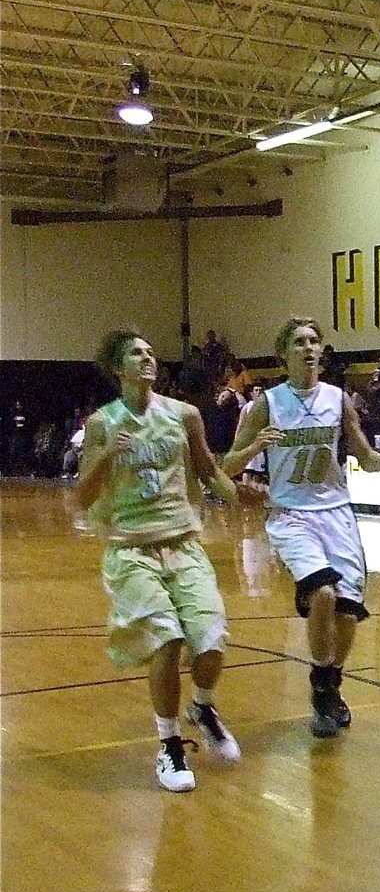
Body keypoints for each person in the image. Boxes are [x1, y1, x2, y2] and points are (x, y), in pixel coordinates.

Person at [223, 317, 380, 738]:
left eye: (314, 341)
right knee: (323, 593)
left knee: (348, 611)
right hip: (291, 514)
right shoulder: (265, 405)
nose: (309, 348)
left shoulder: (338, 399)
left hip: (337, 512)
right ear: (284, 354)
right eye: (298, 342)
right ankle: (319, 680)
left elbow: (365, 456)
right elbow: (228, 465)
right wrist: (251, 464)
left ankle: (330, 684)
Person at [76, 329, 241, 793]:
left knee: (210, 641)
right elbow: (82, 495)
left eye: (150, 351)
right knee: (166, 642)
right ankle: (169, 745)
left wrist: (238, 493)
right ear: (117, 368)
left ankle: (203, 707)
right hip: (131, 549)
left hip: (184, 544)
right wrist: (107, 454)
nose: (147, 357)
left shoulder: (184, 415)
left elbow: (208, 469)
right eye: (136, 352)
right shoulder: (102, 424)